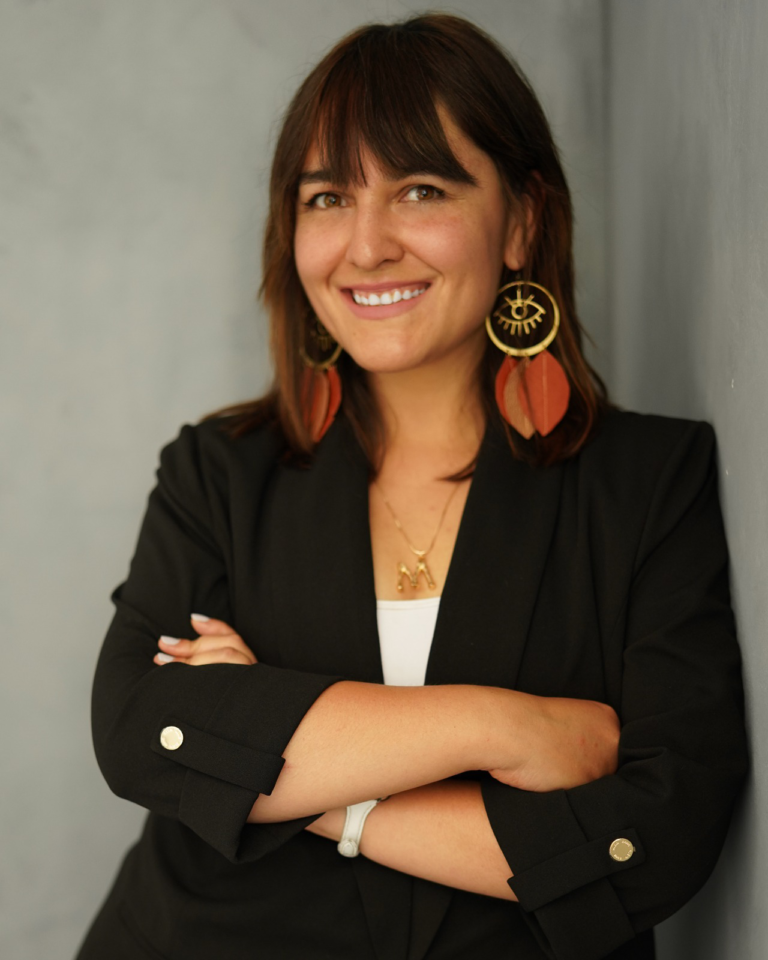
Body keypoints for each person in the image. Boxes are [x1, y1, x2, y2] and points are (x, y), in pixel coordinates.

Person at [75, 13, 748, 960]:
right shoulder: (219, 471)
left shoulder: (646, 483)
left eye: (421, 189)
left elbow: (656, 842)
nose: (366, 244)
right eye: (326, 199)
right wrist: (506, 726)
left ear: (521, 220)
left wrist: (288, 768)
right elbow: (144, 732)